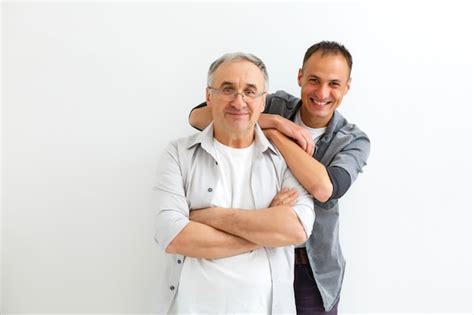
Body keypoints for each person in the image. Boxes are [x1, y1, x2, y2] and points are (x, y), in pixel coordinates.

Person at [189, 41, 371, 314]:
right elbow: (198, 117)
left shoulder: (354, 140)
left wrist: (273, 134)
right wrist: (276, 120)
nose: (322, 92)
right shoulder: (274, 105)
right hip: (257, 251)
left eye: (334, 83)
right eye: (314, 80)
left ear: (346, 87)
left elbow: (324, 188)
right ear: (300, 77)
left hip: (312, 269)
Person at [153, 52, 315, 314]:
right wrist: (266, 229)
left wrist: (209, 217)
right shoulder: (178, 154)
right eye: (227, 89)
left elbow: (296, 230)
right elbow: (173, 236)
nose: (238, 101)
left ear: (263, 101)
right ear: (209, 96)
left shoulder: (285, 159)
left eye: (250, 91)